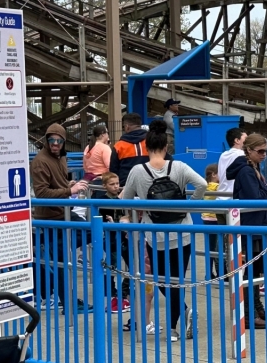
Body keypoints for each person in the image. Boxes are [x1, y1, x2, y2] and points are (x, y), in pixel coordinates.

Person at [121, 118, 207, 341]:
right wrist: (190, 205)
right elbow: (203, 185)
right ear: (167, 147)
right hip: (183, 231)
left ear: (146, 147)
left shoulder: (137, 171)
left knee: (161, 280)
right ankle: (175, 326)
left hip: (154, 233)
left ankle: (181, 316)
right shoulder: (179, 166)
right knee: (178, 279)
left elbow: (125, 200)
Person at [30, 123, 92, 312]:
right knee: (61, 260)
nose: (55, 144)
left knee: (88, 233)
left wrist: (67, 183)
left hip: (62, 212)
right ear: (47, 141)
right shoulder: (40, 161)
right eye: (51, 140)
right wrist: (69, 190)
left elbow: (55, 183)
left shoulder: (61, 156)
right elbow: (41, 193)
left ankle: (67, 300)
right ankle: (68, 302)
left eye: (58, 141)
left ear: (64, 142)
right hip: (51, 217)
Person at [226, 134, 267, 328]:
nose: (264, 155)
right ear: (248, 151)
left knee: (256, 271)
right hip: (252, 226)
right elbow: (255, 197)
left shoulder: (253, 168)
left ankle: (256, 307)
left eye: (266, 151)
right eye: (261, 151)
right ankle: (248, 313)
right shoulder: (247, 172)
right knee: (251, 271)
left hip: (258, 225)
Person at [92, 172, 130, 312]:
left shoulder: (120, 200)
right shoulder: (103, 201)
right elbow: (100, 220)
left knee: (132, 264)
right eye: (112, 184)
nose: (116, 187)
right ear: (104, 186)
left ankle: (123, 291)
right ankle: (111, 291)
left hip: (122, 237)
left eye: (117, 183)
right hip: (110, 238)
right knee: (111, 265)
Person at [111, 113, 149, 186]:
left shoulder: (119, 146)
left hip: (125, 186)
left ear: (127, 127)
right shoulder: (151, 142)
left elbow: (113, 170)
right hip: (148, 184)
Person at [202, 163, 222, 278]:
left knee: (210, 248)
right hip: (214, 219)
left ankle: (209, 273)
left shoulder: (206, 186)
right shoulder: (215, 187)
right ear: (214, 175)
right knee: (217, 247)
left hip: (206, 219)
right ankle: (219, 273)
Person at [216, 127, 247, 197]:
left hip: (221, 195)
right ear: (237, 140)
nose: (248, 142)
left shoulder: (223, 155)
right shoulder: (242, 154)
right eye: (246, 139)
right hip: (234, 197)